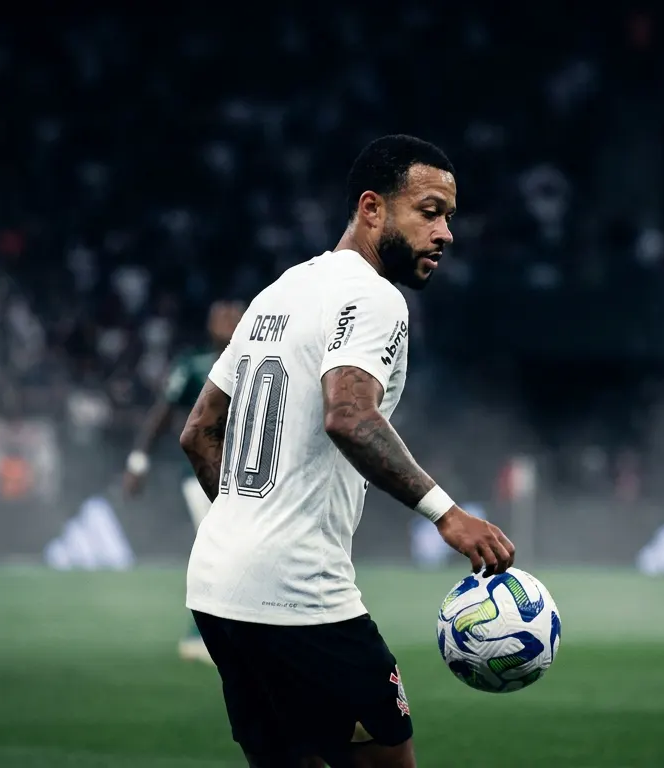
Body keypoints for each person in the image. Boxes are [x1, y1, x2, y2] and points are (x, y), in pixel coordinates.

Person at [178, 135, 515, 768]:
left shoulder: (279, 293)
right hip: (300, 596)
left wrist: (250, 526)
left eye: (449, 215)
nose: (445, 233)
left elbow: (198, 432)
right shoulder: (375, 297)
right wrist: (449, 513)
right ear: (371, 208)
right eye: (429, 211)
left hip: (217, 588)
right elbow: (350, 416)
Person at [123, 299, 244, 665]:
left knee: (238, 550)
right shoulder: (192, 365)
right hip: (201, 472)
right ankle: (201, 631)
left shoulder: (256, 359)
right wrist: (139, 459)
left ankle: (236, 628)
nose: (226, 323)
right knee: (218, 548)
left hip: (245, 475)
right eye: (220, 316)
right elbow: (163, 413)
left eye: (233, 317)